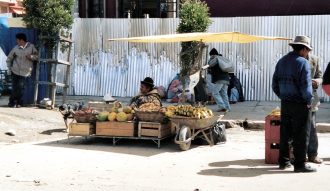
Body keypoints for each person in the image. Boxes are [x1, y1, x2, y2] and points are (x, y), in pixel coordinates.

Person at [272, 35, 316, 173]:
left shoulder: (281, 61)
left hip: (285, 103)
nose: (308, 53)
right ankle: (300, 164)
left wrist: (284, 96)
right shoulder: (303, 63)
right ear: (303, 49)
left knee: (285, 133)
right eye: (307, 50)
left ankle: (284, 162)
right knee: (301, 135)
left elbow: (274, 85)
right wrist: (308, 101)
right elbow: (306, 87)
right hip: (300, 104)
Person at [6, 33, 38, 108]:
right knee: (14, 88)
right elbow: (9, 58)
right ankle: (12, 102)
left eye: (17, 40)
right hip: (15, 71)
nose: (16, 41)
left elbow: (37, 56)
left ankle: (19, 102)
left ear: (21, 40)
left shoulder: (31, 47)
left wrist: (31, 57)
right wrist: (9, 68)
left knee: (20, 88)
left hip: (25, 72)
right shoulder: (16, 48)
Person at [306, 54, 323, 164]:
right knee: (296, 128)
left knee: (312, 127)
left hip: (311, 98)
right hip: (297, 99)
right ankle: (296, 154)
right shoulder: (294, 59)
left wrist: (317, 81)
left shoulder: (315, 59)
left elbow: (320, 76)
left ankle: (312, 154)